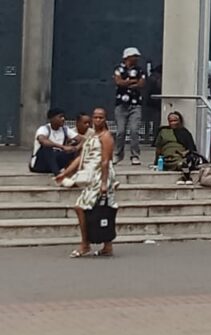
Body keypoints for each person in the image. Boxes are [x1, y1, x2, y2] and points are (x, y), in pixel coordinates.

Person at [54, 108, 116, 258]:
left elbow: (106, 160)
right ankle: (106, 245)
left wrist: (103, 183)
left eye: (101, 117)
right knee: (101, 209)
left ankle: (85, 244)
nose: (97, 120)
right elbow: (80, 158)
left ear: (105, 119)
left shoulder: (106, 136)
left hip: (101, 176)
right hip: (90, 175)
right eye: (95, 117)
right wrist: (64, 173)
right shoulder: (91, 136)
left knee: (82, 207)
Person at [113, 46, 146, 165]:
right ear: (127, 57)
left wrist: (126, 83)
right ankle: (118, 154)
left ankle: (135, 155)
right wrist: (130, 82)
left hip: (135, 104)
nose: (136, 59)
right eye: (134, 56)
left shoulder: (140, 70)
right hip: (121, 105)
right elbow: (118, 82)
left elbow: (141, 83)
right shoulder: (118, 69)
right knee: (120, 131)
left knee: (134, 130)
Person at [30, 108, 78, 175]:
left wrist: (76, 147)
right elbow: (43, 141)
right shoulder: (43, 129)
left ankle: (72, 171)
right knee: (47, 148)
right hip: (40, 165)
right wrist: (63, 147)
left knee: (72, 150)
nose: (63, 119)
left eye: (63, 117)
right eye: (60, 117)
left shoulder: (65, 129)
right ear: (51, 118)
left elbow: (82, 139)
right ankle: (57, 174)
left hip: (55, 163)